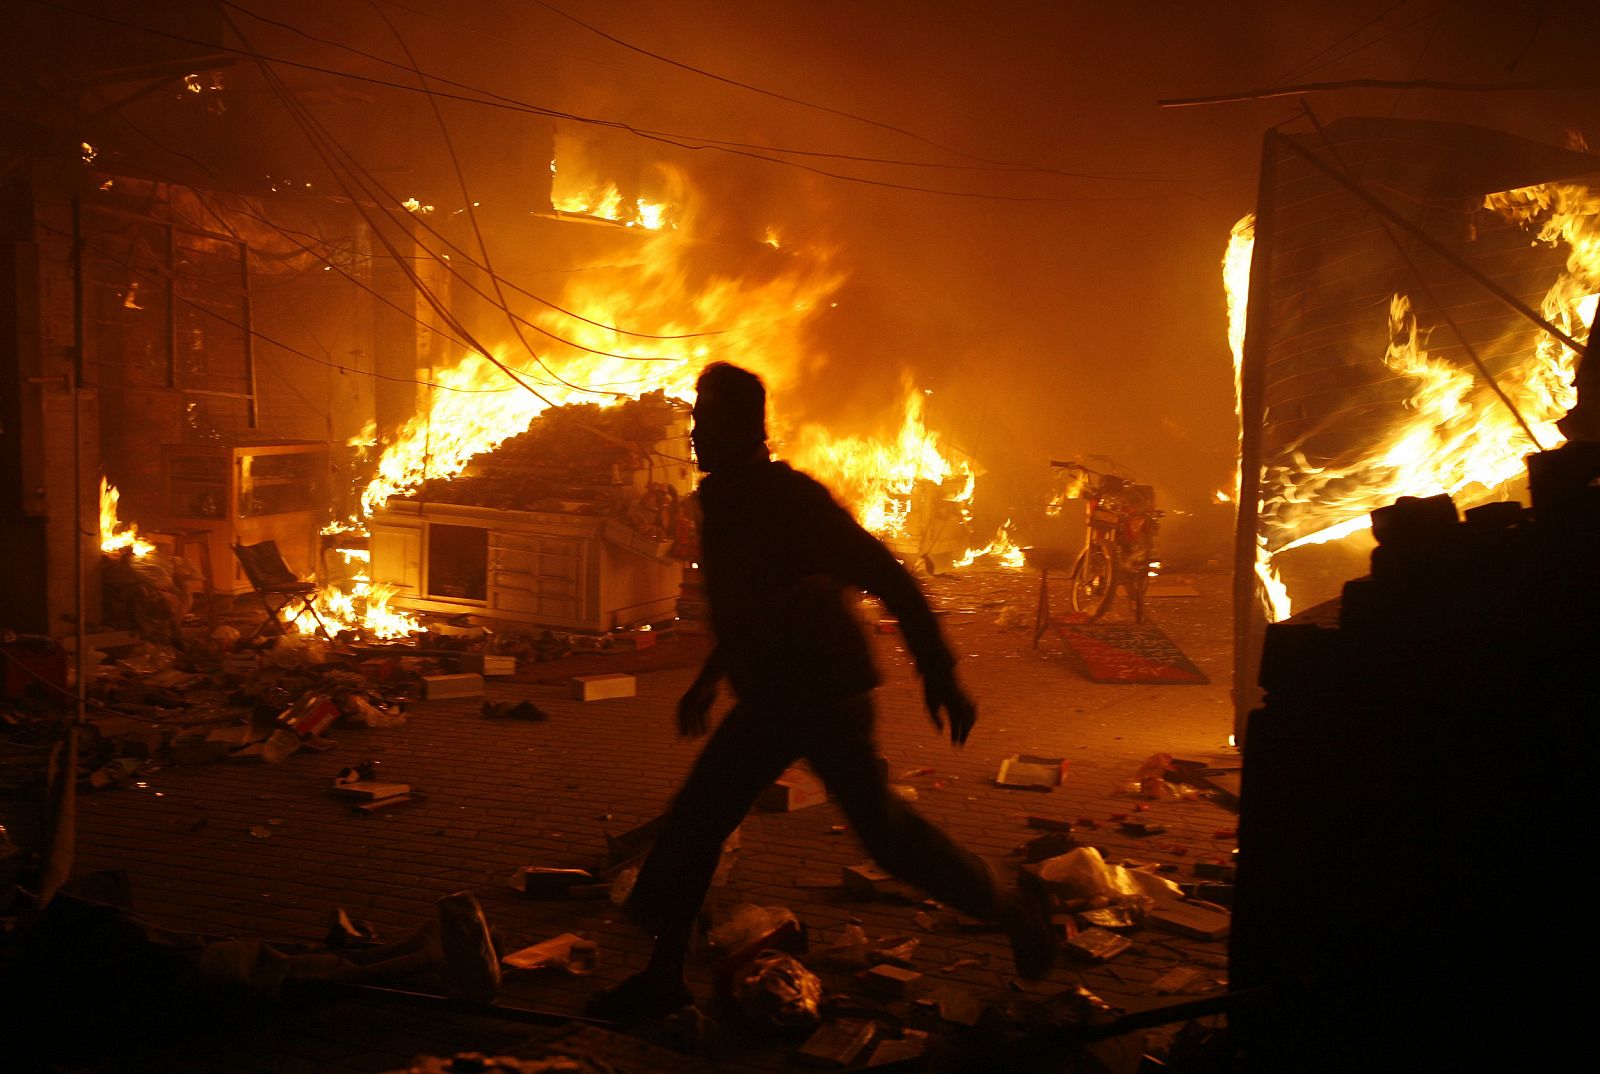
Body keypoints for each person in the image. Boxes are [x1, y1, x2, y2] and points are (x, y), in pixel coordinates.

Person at [589, 362, 1054, 1023]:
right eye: (696, 421)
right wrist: (707, 678)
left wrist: (940, 673)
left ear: (749, 427)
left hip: (825, 694)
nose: (696, 434)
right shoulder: (725, 501)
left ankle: (1012, 906)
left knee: (884, 838)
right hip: (773, 697)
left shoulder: (789, 500)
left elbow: (887, 574)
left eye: (710, 422)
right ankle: (663, 978)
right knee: (697, 822)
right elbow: (752, 606)